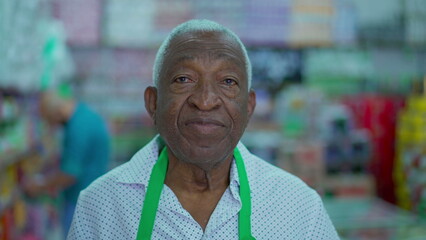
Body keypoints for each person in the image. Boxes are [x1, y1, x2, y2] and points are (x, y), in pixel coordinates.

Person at [68, 19, 339, 239]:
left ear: (248, 107)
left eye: (228, 81)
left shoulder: (299, 207)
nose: (206, 101)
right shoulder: (101, 205)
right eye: (184, 79)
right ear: (153, 103)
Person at [24, 87, 110, 236]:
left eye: (50, 121)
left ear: (57, 114)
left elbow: (69, 174)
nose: (53, 127)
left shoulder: (77, 129)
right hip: (94, 194)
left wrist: (40, 185)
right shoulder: (84, 113)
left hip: (80, 199)